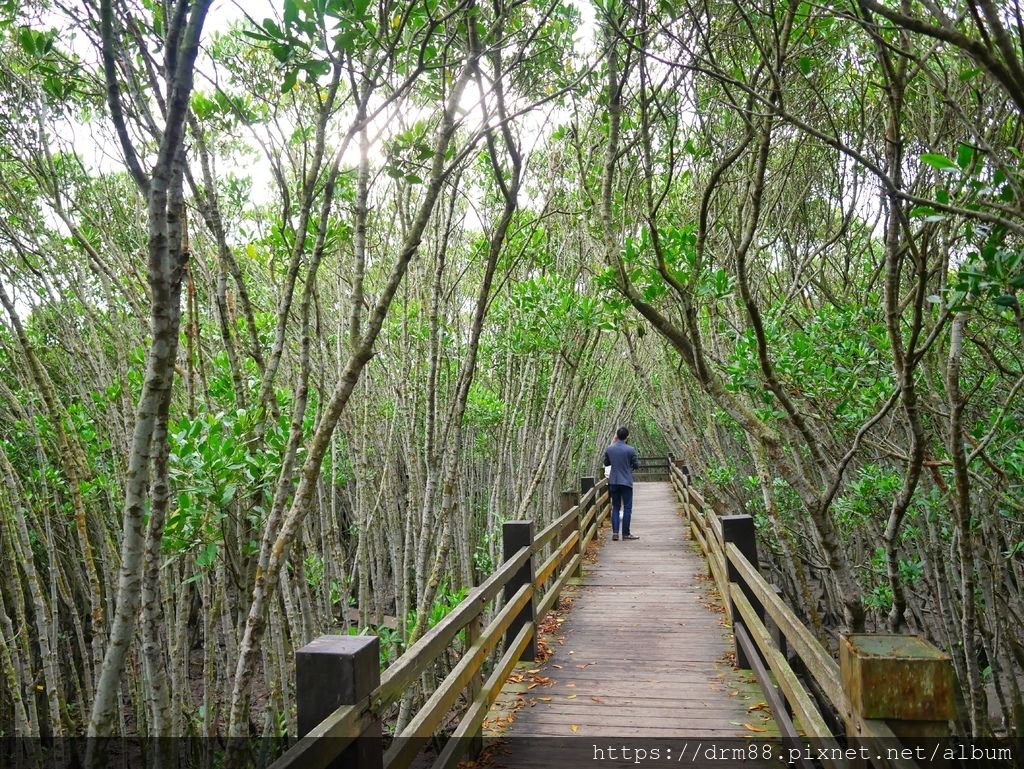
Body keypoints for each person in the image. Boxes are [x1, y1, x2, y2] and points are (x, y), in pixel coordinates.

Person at [603, 427, 640, 541]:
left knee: (616, 507)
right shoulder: (631, 449)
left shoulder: (610, 449)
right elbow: (636, 465)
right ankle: (625, 533)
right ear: (627, 436)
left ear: (617, 436)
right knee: (627, 508)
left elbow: (606, 463)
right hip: (626, 482)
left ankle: (615, 533)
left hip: (613, 481)